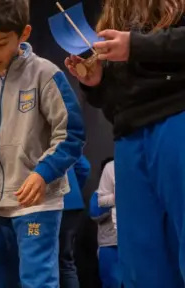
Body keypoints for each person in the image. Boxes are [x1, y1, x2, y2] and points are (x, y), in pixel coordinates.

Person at [0, 0, 86, 287]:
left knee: (37, 281)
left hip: (37, 202)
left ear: (24, 33)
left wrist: (43, 173)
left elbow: (70, 133)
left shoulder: (45, 73)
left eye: (1, 43)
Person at [65, 0, 185, 286]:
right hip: (130, 135)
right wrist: (96, 82)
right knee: (140, 259)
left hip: (176, 116)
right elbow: (115, 102)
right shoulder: (113, 15)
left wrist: (136, 46)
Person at [89, 157, 121, 288]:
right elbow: (95, 213)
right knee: (112, 283)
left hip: (133, 244)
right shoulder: (98, 195)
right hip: (110, 245)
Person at [59, 155, 91, 288]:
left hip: (46, 205)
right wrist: (72, 188)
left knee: (41, 258)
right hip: (72, 205)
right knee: (66, 261)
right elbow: (84, 167)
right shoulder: (63, 137)